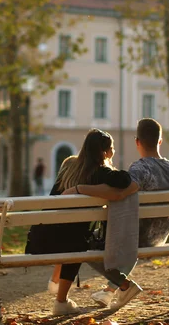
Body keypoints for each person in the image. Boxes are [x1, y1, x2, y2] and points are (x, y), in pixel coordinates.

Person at [72, 118, 169, 309]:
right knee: (129, 232)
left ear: (137, 141)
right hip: (160, 236)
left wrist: (79, 189)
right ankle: (110, 291)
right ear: (160, 141)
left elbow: (119, 193)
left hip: (136, 237)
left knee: (83, 243)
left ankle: (122, 287)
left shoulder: (140, 169)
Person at [24, 129, 139, 316]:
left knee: (72, 237)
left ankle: (56, 283)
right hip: (69, 245)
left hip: (39, 239)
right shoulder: (101, 173)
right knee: (77, 242)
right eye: (112, 148)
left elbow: (54, 197)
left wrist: (77, 188)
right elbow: (125, 180)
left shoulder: (68, 165)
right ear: (104, 152)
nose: (113, 152)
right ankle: (61, 301)